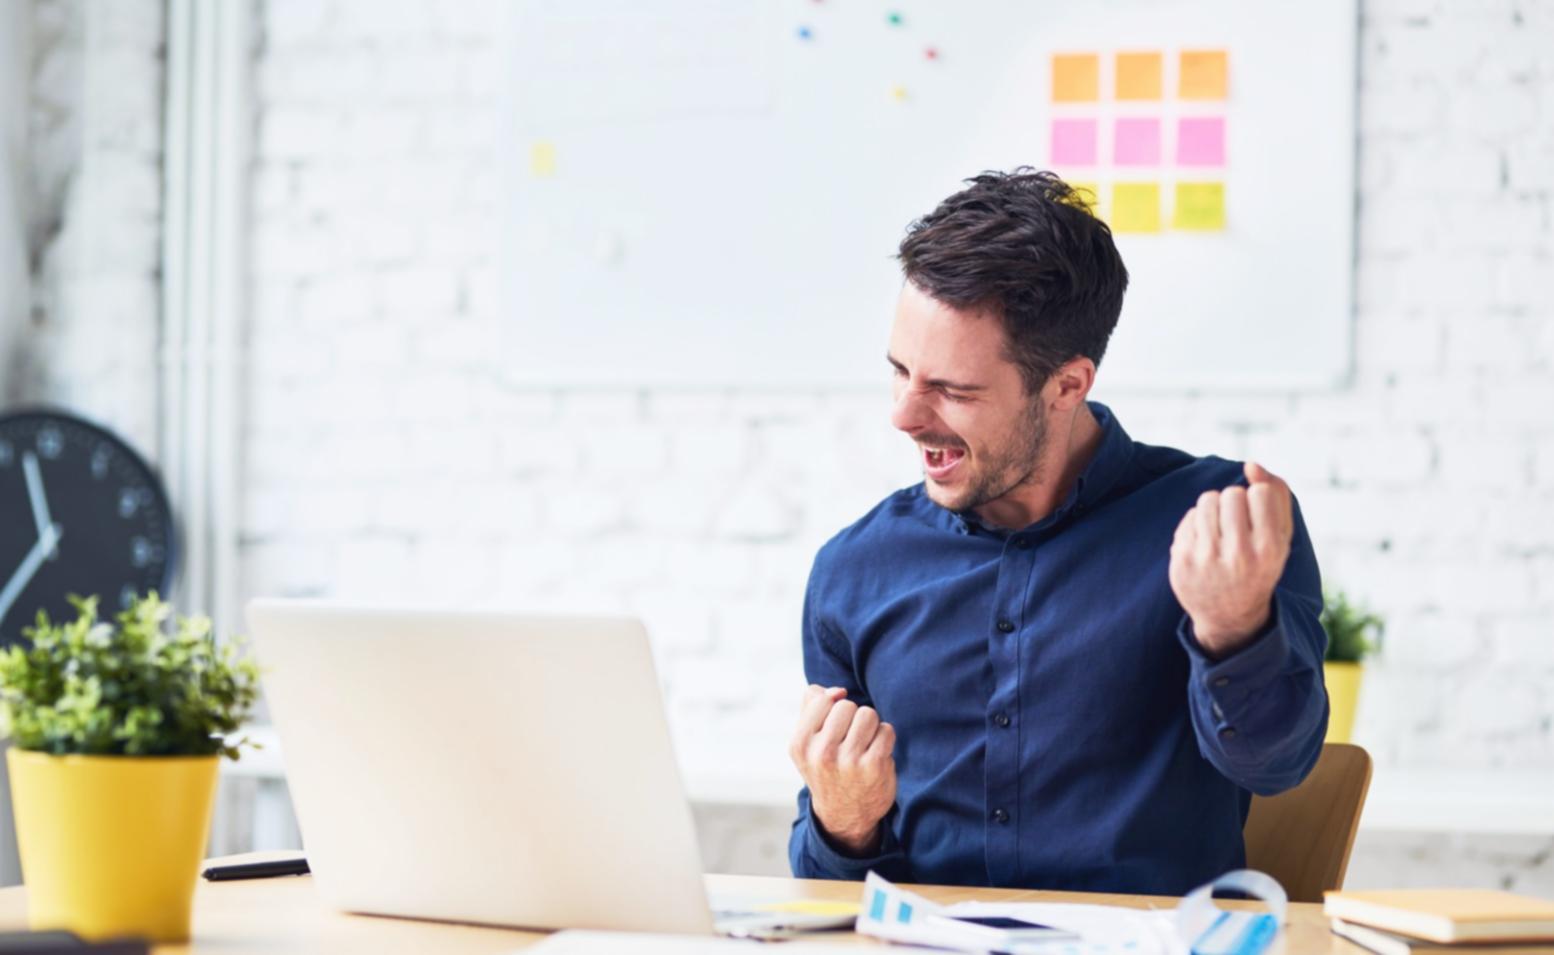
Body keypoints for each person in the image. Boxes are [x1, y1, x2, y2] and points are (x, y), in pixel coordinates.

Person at [786, 169, 1328, 894]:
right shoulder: (855, 570)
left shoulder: (1220, 523)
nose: (906, 415)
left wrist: (1235, 628)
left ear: (1069, 384)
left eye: (951, 388)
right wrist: (843, 822)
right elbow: (826, 890)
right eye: (900, 371)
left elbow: (1278, 765)